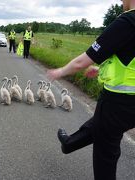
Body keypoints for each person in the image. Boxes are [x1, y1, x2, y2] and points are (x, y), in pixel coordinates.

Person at [46, 1, 135, 179]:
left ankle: (69, 144)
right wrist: (101, 69)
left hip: (120, 101)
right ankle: (69, 143)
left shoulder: (128, 21)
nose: (120, 1)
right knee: (101, 125)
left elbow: (84, 60)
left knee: (106, 156)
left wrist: (61, 71)